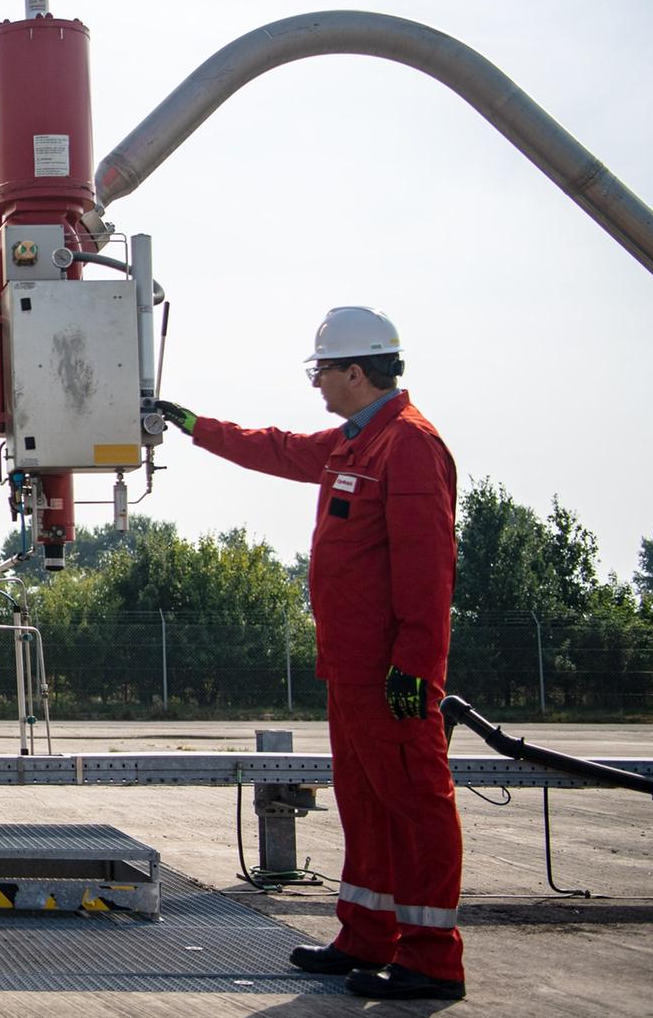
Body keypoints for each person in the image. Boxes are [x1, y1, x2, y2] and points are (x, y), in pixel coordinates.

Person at [155, 307, 465, 1001]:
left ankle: (433, 959)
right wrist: (197, 426)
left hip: (392, 676)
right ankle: (365, 934)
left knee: (414, 807)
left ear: (357, 371)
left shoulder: (408, 446)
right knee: (365, 805)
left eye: (322, 369)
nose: (317, 381)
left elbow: (428, 570)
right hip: (351, 671)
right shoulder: (357, 443)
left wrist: (416, 669)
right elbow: (279, 448)